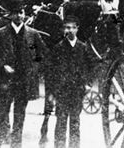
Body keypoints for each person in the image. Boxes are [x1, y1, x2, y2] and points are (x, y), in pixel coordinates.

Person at [0, 0, 47, 148]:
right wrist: (3, 66)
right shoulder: (0, 34)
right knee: (0, 116)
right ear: (10, 15)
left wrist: (34, 69)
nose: (19, 16)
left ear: (24, 14)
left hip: (23, 82)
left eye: (21, 13)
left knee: (19, 119)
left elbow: (43, 55)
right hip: (5, 81)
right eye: (15, 13)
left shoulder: (32, 34)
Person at [44, 16, 91, 148]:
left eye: (72, 28)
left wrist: (88, 83)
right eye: (66, 27)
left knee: (75, 123)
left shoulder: (83, 47)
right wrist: (52, 92)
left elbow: (90, 67)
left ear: (77, 29)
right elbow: (51, 71)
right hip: (62, 92)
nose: (69, 30)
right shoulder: (58, 48)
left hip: (77, 91)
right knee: (61, 123)